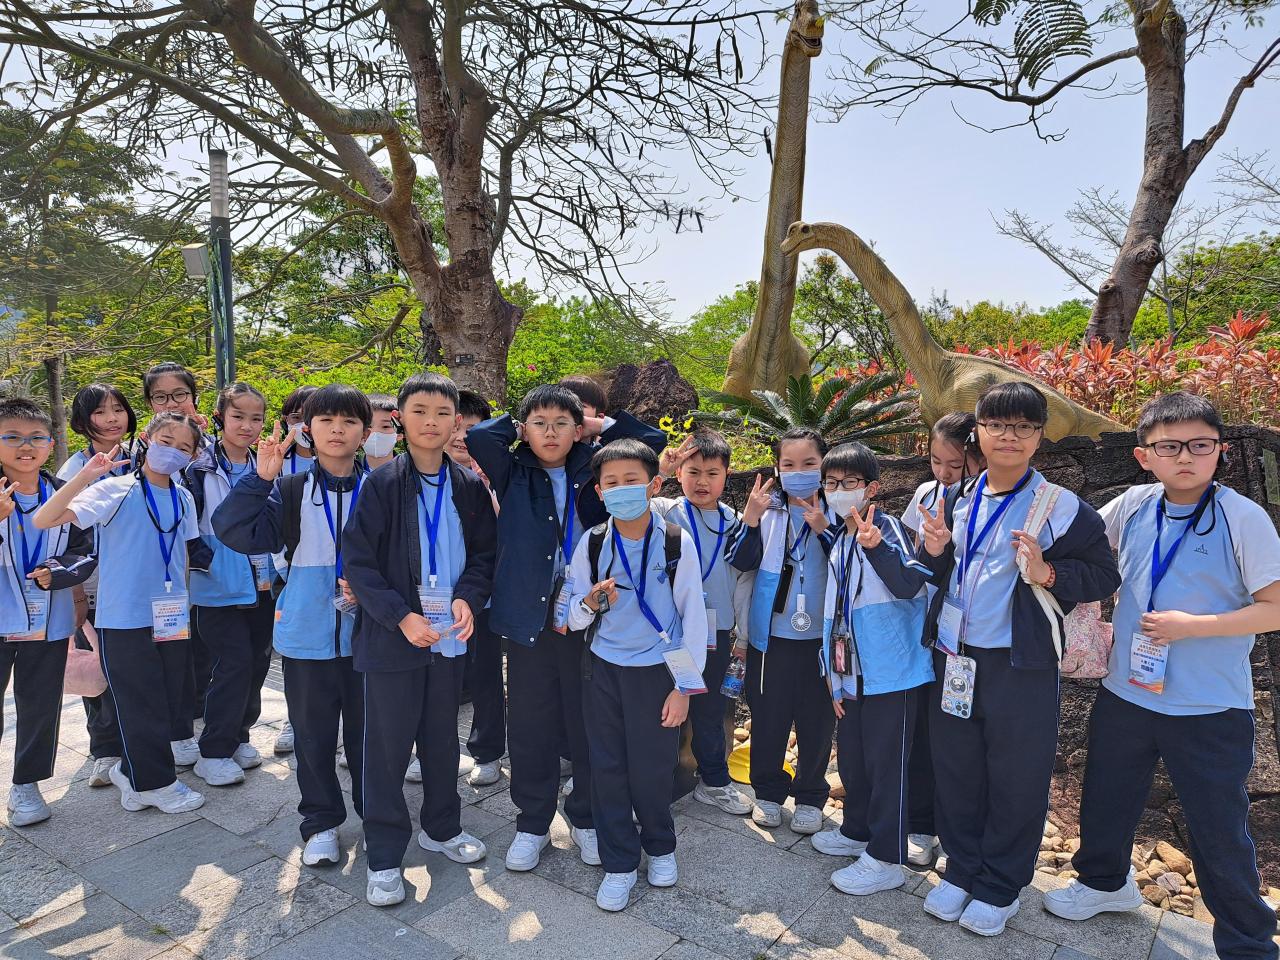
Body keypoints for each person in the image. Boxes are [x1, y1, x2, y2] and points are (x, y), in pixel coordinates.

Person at [1044, 392, 1280, 960]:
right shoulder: (1133, 505)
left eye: (1200, 445)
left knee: (1217, 826)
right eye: (1169, 447)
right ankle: (1105, 884)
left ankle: (1248, 943)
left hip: (1208, 705)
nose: (1185, 457)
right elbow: (1083, 549)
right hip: (1127, 690)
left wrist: (1192, 627)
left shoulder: (1242, 518)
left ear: (1220, 451)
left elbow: (1274, 607)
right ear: (1144, 455)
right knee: (1107, 795)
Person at [915, 381, 1120, 936]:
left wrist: (1048, 573)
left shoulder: (1060, 507)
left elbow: (1104, 574)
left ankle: (1001, 885)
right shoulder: (959, 497)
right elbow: (942, 571)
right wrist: (933, 553)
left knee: (1016, 775)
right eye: (997, 425)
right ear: (978, 432)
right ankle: (962, 870)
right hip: (955, 658)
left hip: (1019, 665)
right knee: (956, 768)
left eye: (1023, 427)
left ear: (1039, 437)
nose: (1009, 436)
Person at [466, 385, 665, 874]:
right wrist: (520, 425)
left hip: (589, 614)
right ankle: (532, 823)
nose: (550, 433)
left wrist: (593, 426)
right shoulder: (513, 469)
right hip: (529, 618)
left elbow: (649, 442)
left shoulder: (591, 466)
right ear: (524, 430)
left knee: (588, 723)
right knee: (530, 724)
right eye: (539, 423)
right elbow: (480, 439)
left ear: (578, 430)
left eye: (561, 424)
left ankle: (585, 817)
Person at [343, 372, 496, 907]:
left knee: (441, 738)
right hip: (395, 639)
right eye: (420, 411)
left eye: (442, 413)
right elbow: (358, 562)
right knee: (387, 749)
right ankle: (384, 854)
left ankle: (442, 827)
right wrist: (400, 616)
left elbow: (484, 556)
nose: (431, 422)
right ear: (400, 419)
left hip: (447, 636)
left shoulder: (468, 486)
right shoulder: (382, 483)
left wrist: (469, 597)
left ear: (456, 422)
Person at [213, 384, 371, 869]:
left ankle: (376, 815)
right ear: (307, 430)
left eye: (349, 421)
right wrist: (259, 480)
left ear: (365, 433)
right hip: (306, 636)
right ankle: (321, 822)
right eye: (326, 421)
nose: (337, 430)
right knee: (312, 737)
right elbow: (233, 530)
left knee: (371, 737)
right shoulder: (290, 489)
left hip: (371, 639)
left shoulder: (380, 488)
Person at [35, 412, 207, 814]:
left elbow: (182, 554)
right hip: (124, 618)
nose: (173, 452)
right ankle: (157, 784)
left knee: (168, 698)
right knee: (139, 702)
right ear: (146, 438)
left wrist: (182, 605)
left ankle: (132, 774)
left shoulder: (182, 496)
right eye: (166, 441)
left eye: (184, 448)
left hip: (170, 617)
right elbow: (45, 519)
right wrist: (85, 476)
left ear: (193, 455)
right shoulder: (114, 490)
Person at [566, 438, 708, 911]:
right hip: (603, 670)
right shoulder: (592, 542)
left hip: (656, 672)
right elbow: (572, 615)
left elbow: (693, 616)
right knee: (606, 767)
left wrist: (684, 689)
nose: (622, 489)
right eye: (612, 482)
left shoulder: (675, 541)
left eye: (632, 480)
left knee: (652, 766)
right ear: (599, 492)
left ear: (654, 485)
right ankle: (620, 863)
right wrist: (590, 603)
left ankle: (661, 847)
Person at [808, 442, 934, 896]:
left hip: (891, 672)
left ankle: (886, 858)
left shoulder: (887, 529)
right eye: (831, 483)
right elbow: (836, 610)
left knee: (887, 765)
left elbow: (910, 585)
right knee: (855, 758)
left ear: (872, 488)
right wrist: (831, 670)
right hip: (853, 671)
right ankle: (857, 830)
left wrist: (878, 548)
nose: (840, 490)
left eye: (850, 482)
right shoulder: (841, 538)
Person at [0, 399, 97, 826]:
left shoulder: (65, 493)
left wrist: (56, 572)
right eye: (13, 437)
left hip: (46, 620)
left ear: (50, 443)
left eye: (36, 438)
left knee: (40, 704)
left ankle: (27, 785)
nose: (26, 446)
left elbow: (85, 551)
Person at [736, 427, 838, 835]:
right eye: (789, 464)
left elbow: (853, 564)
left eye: (809, 464)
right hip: (771, 638)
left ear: (824, 466)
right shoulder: (768, 510)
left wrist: (824, 529)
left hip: (822, 640)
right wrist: (750, 520)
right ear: (777, 469)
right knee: (768, 718)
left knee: (818, 722)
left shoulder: (838, 509)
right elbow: (740, 561)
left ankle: (811, 796)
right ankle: (768, 792)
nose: (799, 472)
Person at [651, 431, 756, 815]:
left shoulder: (736, 522)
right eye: (692, 471)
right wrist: (660, 471)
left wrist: (743, 637)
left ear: (727, 475)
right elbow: (629, 505)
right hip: (668, 632)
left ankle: (713, 781)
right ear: (679, 472)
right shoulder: (664, 511)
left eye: (712, 473)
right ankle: (653, 781)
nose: (702, 481)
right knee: (660, 706)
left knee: (709, 709)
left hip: (715, 634)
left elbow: (744, 582)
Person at [898, 412, 984, 868]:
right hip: (928, 629)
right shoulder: (925, 495)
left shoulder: (990, 501)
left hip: (971, 636)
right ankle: (920, 825)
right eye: (936, 461)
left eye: (957, 464)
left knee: (961, 739)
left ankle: (958, 836)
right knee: (923, 731)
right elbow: (912, 558)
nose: (945, 473)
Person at [185, 382, 274, 788]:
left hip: (262, 582)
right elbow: (186, 526)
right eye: (238, 416)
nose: (247, 426)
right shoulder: (198, 468)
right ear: (220, 417)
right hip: (217, 586)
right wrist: (204, 563)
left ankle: (239, 736)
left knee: (256, 664)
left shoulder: (267, 464)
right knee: (232, 664)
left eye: (256, 418)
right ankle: (213, 751)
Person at [59, 383, 138, 787]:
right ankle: (105, 749)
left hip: (137, 583)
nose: (112, 419)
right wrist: (74, 591)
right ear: (82, 421)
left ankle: (136, 742)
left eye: (118, 409)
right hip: (93, 585)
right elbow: (62, 538)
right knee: (96, 666)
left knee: (133, 666)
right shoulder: (73, 470)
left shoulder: (141, 457)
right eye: (100, 412)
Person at [141, 361, 209, 752]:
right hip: (149, 577)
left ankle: (186, 729)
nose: (172, 403)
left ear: (193, 397)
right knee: (152, 659)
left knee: (190, 657)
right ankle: (130, 742)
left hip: (200, 571)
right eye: (161, 397)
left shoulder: (212, 448)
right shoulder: (138, 454)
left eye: (179, 394)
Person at [452, 389, 505, 788]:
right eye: (455, 426)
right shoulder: (418, 476)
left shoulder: (499, 476)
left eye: (471, 429)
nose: (460, 437)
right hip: (434, 599)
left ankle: (487, 751)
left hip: (483, 597)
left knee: (485, 675)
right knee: (437, 677)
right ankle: (431, 749)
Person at [280, 385, 318, 477]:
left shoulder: (345, 461)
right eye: (296, 417)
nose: (305, 426)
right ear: (285, 422)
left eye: (312, 418)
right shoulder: (275, 461)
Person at [361, 394, 399, 472]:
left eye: (385, 426)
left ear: (400, 433)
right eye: (368, 426)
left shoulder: (414, 474)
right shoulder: (345, 473)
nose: (375, 433)